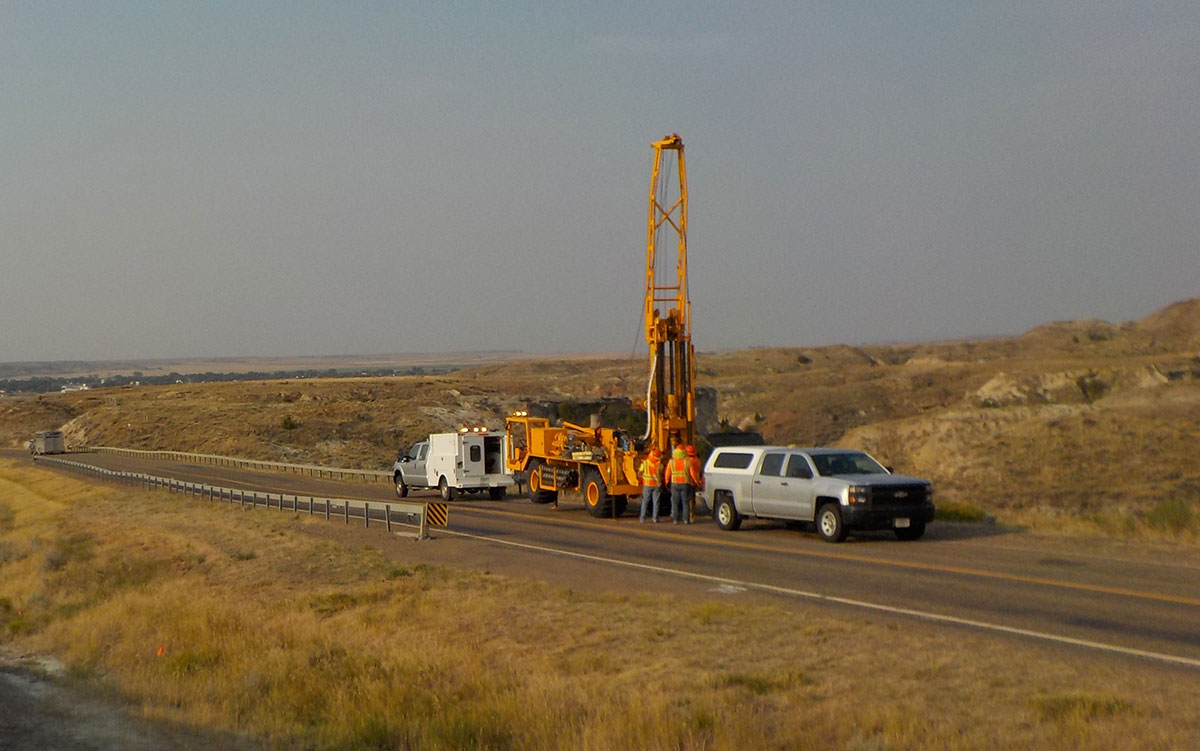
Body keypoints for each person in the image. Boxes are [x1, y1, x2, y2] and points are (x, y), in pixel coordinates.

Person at [638, 448, 663, 523]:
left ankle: (642, 518)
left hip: (647, 485)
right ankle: (655, 518)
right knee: (656, 502)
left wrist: (641, 478)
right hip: (657, 485)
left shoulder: (645, 463)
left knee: (645, 501)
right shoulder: (660, 465)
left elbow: (639, 473)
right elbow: (662, 474)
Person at [667, 445, 690, 524]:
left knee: (675, 502)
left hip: (675, 484)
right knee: (685, 502)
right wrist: (696, 481)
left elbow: (667, 473)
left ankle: (675, 520)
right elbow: (693, 473)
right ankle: (686, 519)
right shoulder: (687, 462)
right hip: (685, 483)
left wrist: (667, 481)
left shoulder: (671, 462)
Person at [685, 444, 703, 523]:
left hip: (687, 482)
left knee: (685, 500)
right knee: (692, 500)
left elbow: (691, 473)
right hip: (694, 482)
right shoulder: (697, 460)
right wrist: (698, 481)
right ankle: (691, 516)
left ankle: (686, 516)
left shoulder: (686, 461)